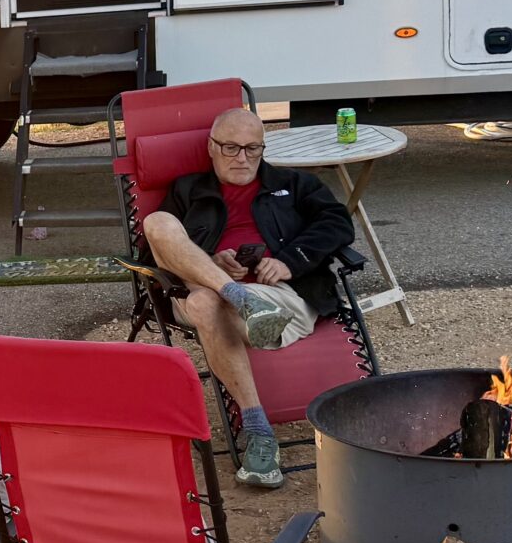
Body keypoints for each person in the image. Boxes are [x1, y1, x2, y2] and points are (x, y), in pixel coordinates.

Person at [140, 108, 357, 490]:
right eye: (231, 147)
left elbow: (338, 223)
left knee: (207, 304)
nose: (242, 158)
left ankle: (259, 432)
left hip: (280, 298)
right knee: (158, 225)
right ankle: (236, 295)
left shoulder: (294, 183)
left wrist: (289, 261)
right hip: (203, 291)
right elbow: (154, 252)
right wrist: (210, 262)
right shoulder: (187, 190)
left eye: (253, 149)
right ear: (211, 147)